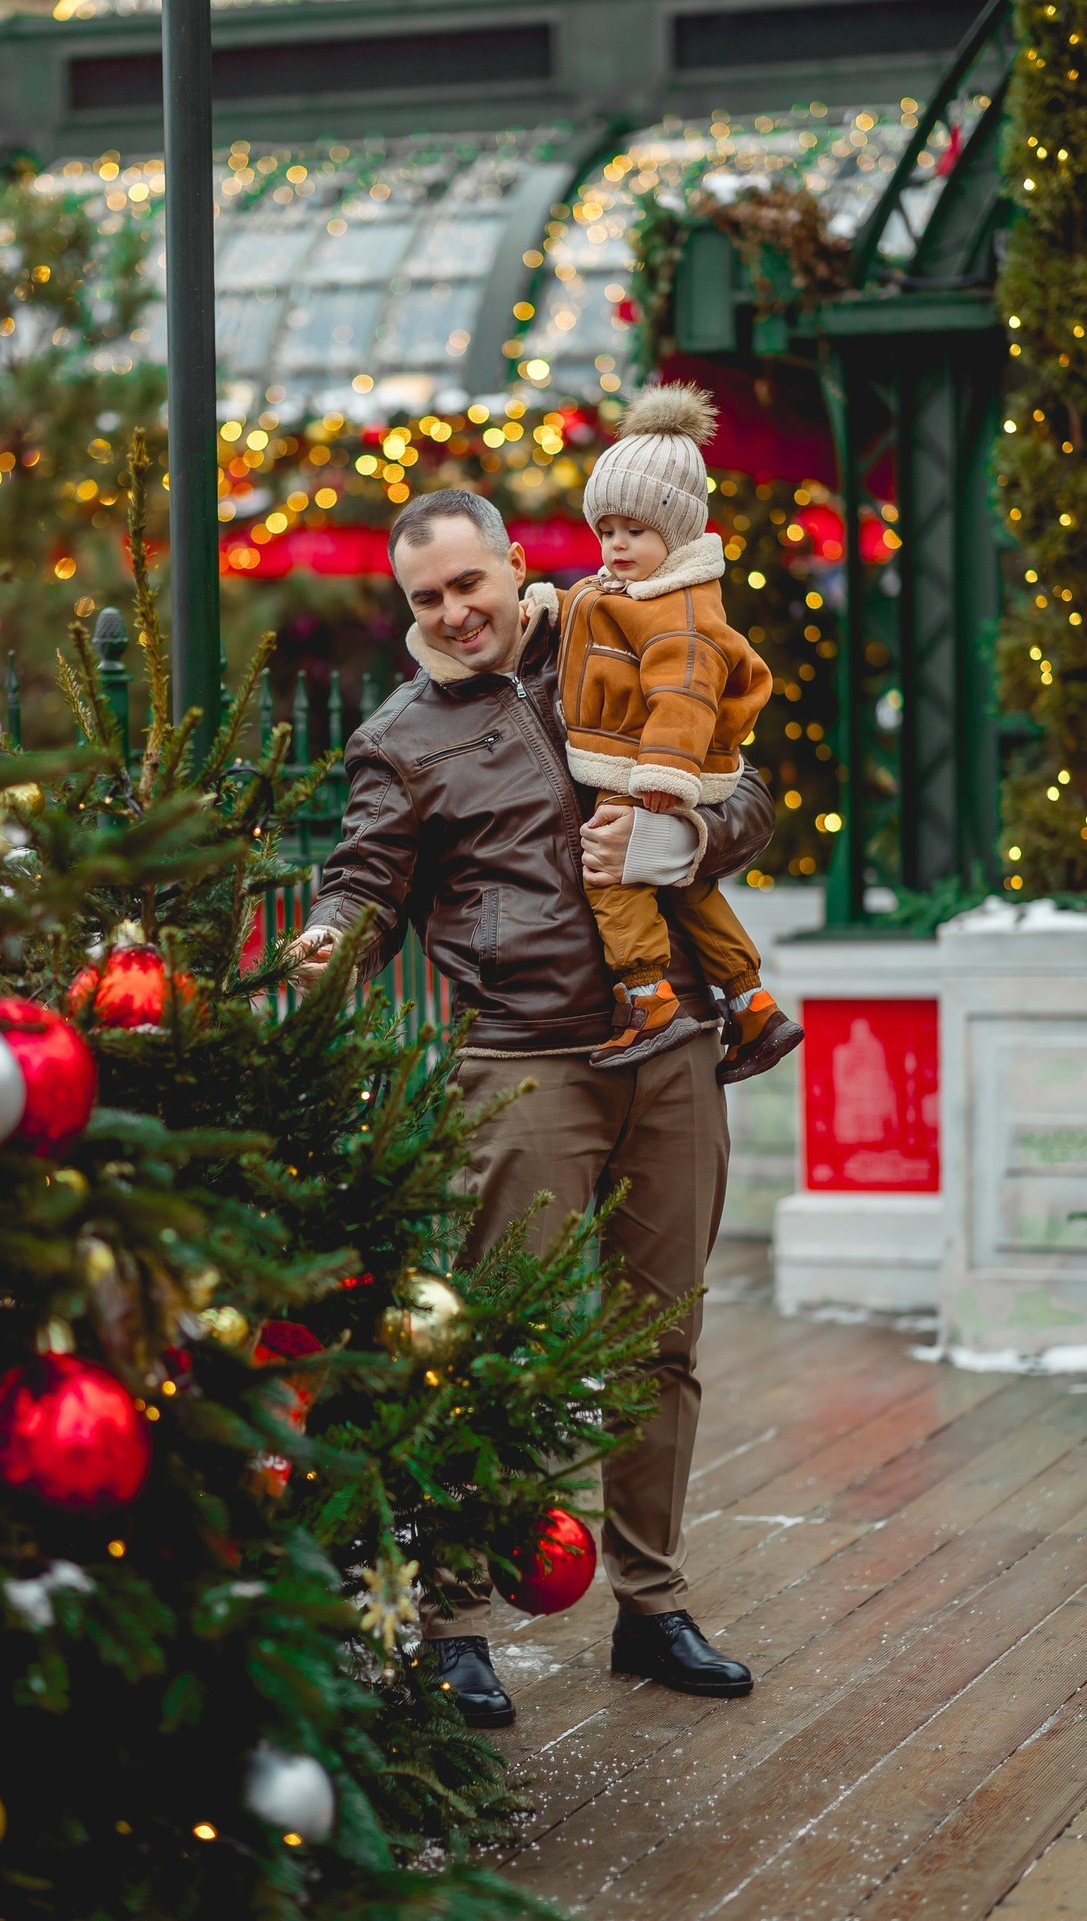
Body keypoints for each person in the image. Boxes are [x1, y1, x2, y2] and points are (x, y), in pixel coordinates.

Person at [290, 488, 768, 1726]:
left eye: (468, 584)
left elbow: (747, 792)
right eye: (427, 599)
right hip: (521, 1064)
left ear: (513, 565)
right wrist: (324, 942)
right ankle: (453, 1625)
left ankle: (651, 1606)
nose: (455, 613)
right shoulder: (400, 737)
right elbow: (361, 885)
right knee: (487, 1349)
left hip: (668, 1047)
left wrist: (679, 851)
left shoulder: (624, 631)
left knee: (660, 1340)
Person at [545, 381, 802, 1081]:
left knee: (611, 871)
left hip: (648, 769)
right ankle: (753, 1005)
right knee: (689, 890)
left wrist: (660, 784)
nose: (617, 545)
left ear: (678, 530)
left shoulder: (682, 614)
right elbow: (592, 611)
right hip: (650, 764)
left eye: (635, 530)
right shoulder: (635, 590)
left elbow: (684, 698)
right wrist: (549, 604)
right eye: (607, 530)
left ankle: (645, 997)